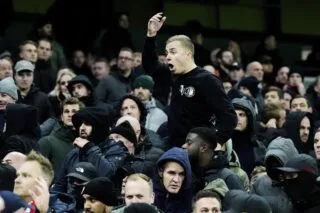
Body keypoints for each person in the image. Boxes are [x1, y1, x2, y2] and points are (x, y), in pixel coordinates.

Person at [142, 12, 237, 147]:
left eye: (173, 52)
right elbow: (150, 65)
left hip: (197, 149)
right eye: (167, 53)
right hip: (174, 145)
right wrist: (151, 35)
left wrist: (215, 142)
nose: (168, 56)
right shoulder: (172, 74)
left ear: (188, 54)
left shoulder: (207, 80)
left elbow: (229, 116)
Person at [153, 147, 193, 213]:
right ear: (160, 172)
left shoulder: (191, 204)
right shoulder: (147, 198)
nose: (176, 180)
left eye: (181, 174)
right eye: (171, 173)